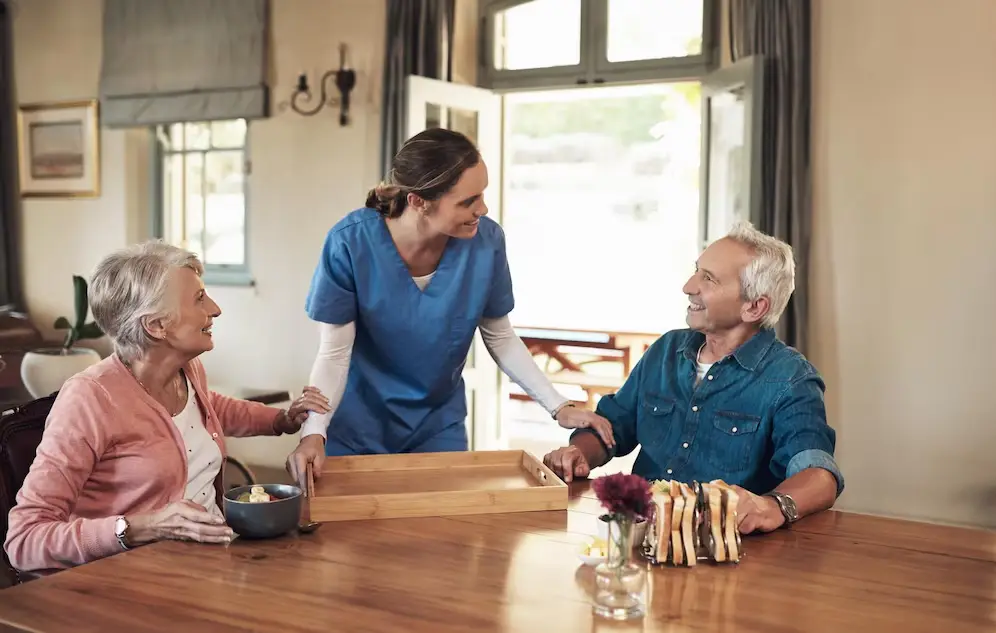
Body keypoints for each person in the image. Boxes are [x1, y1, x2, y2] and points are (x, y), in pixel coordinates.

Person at [285, 128, 613, 487]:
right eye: (467, 201)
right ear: (418, 201)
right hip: (357, 426)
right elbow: (334, 353)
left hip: (437, 426)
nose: (482, 209)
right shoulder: (350, 244)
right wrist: (313, 432)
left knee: (445, 535)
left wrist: (559, 406)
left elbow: (500, 336)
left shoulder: (486, 242)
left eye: (482, 195)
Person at [4, 242, 331, 573]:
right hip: (131, 582)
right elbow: (24, 540)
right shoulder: (89, 399)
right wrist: (139, 527)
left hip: (207, 563)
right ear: (156, 326)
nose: (215, 309)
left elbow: (208, 409)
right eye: (199, 299)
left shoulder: (186, 372)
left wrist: (282, 418)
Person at [542, 222, 844, 535]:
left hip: (728, 551)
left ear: (754, 307)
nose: (688, 286)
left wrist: (771, 507)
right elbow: (612, 426)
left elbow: (819, 475)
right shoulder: (666, 350)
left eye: (708, 279)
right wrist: (579, 455)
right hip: (640, 537)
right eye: (697, 270)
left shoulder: (791, 378)